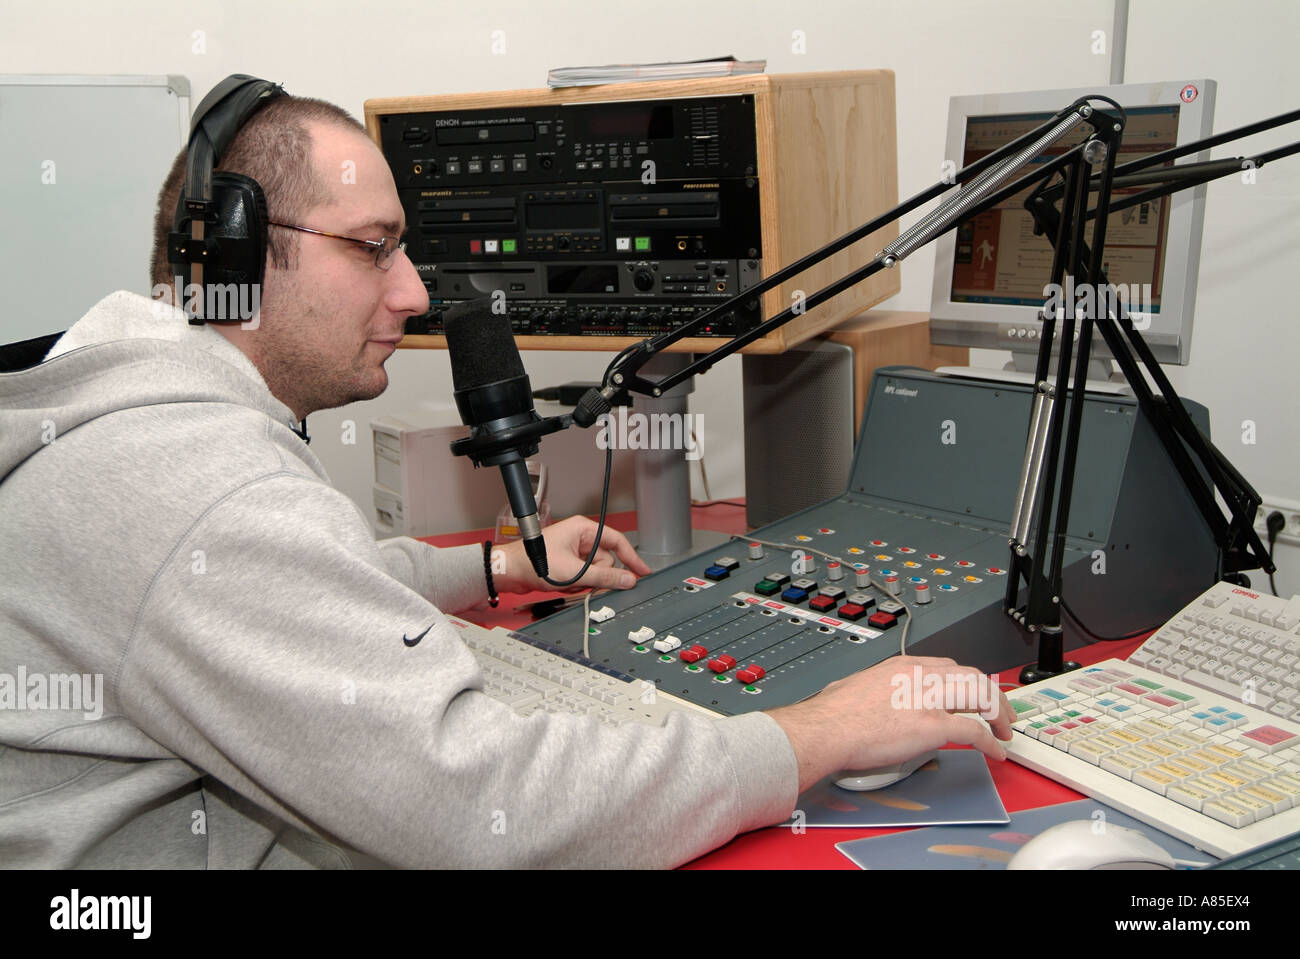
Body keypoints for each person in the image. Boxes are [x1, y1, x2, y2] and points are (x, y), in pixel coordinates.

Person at [0, 84, 1012, 868]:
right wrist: (816, 729)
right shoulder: (203, 488)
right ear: (236, 252)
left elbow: (294, 585)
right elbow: (487, 812)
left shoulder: (129, 414)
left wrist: (483, 569)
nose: (411, 290)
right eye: (374, 248)